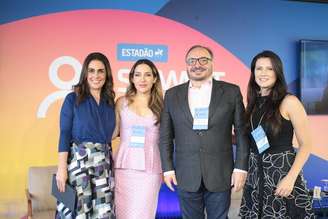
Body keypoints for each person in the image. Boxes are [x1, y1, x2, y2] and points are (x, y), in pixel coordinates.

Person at [159, 45, 249, 219]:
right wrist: (168, 169)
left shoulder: (231, 92)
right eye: (192, 61)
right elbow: (165, 136)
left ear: (212, 63)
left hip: (220, 173)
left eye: (203, 60)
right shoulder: (171, 95)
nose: (197, 64)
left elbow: (241, 133)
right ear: (186, 64)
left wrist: (240, 168)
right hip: (186, 174)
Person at [239, 50, 315, 218]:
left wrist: (290, 178)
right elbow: (249, 140)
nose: (263, 73)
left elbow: (307, 145)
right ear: (253, 73)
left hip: (281, 177)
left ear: (278, 73)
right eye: (259, 68)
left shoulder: (289, 102)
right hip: (255, 179)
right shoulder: (252, 103)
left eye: (269, 69)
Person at [55, 52, 116, 219]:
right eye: (91, 70)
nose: (96, 75)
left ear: (107, 74)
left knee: (103, 213)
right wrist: (62, 168)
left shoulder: (110, 101)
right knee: (78, 212)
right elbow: (65, 133)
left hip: (103, 166)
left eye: (100, 71)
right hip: (78, 165)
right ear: (85, 73)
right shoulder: (72, 98)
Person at [113, 59, 163, 219]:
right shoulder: (121, 103)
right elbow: (113, 133)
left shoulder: (163, 105)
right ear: (132, 78)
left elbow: (169, 138)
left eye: (147, 75)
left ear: (154, 78)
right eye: (138, 75)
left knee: (144, 214)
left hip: (150, 169)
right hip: (124, 169)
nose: (142, 79)